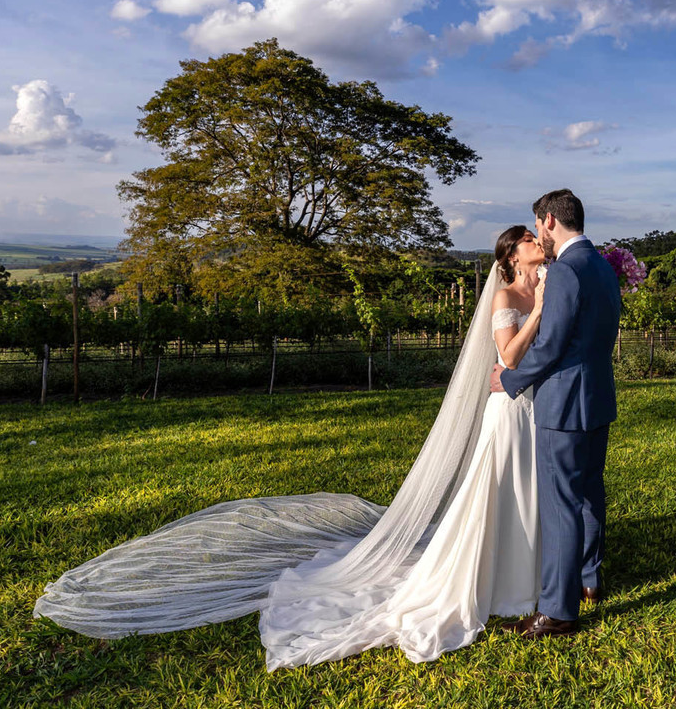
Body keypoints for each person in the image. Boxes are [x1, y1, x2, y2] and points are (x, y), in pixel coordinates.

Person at [34, 224, 551, 668]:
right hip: (507, 408)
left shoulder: (544, 287)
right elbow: (507, 357)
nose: (536, 241)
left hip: (534, 406)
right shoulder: (507, 299)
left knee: (525, 489)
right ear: (510, 257)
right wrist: (540, 310)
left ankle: (527, 574)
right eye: (528, 239)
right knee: (495, 488)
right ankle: (492, 578)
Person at [491, 189, 622, 639]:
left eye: (537, 226)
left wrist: (510, 379)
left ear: (549, 221)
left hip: (564, 404)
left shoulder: (566, 269)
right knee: (589, 494)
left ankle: (558, 612)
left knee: (561, 504)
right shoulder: (602, 267)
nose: (538, 236)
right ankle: (589, 579)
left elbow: (551, 345)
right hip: (597, 398)